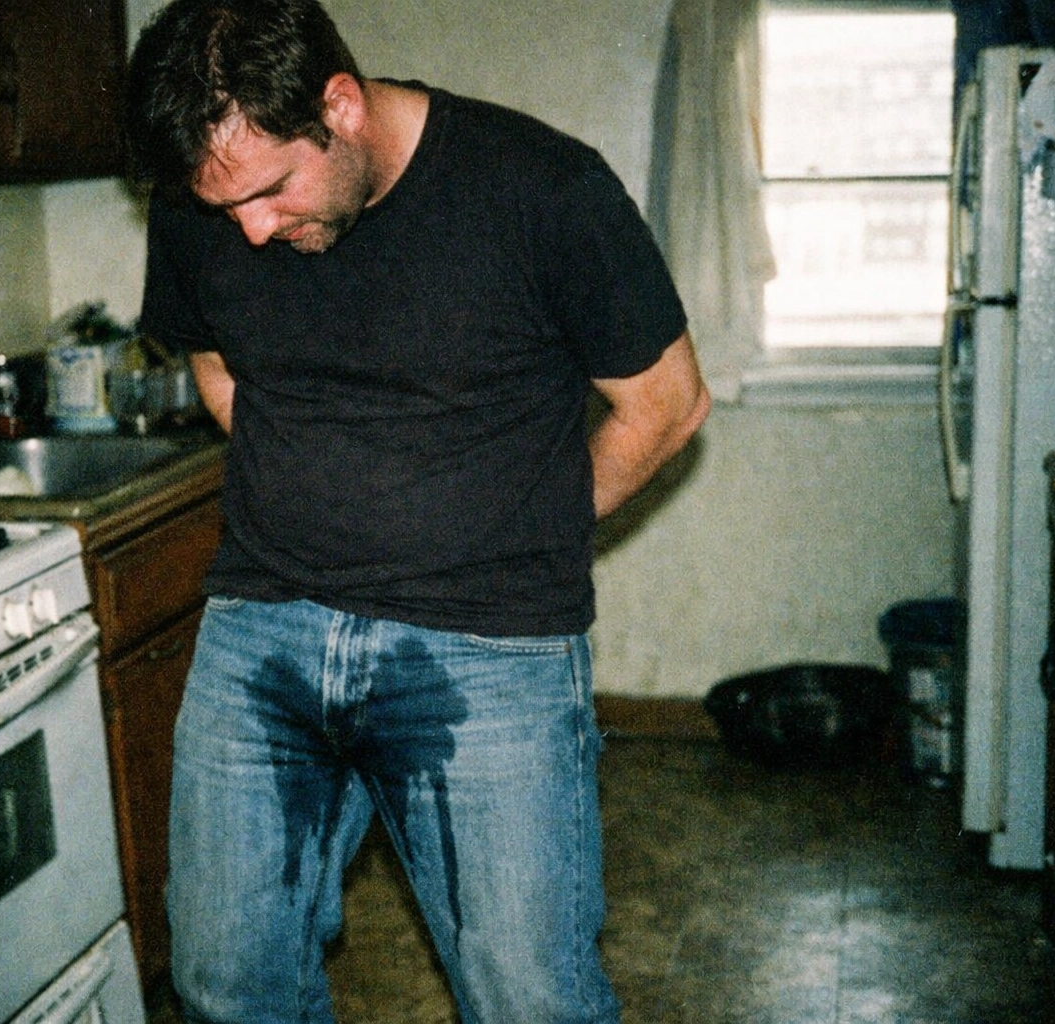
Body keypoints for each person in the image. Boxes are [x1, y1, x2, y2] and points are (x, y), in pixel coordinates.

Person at [126, 1, 711, 1021]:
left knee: (532, 997)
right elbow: (220, 371)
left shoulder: (543, 189)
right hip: (264, 627)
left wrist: (522, 526)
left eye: (269, 192)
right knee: (225, 982)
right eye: (224, 211)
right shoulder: (207, 199)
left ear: (340, 106)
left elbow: (665, 407)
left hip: (487, 649)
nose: (250, 231)